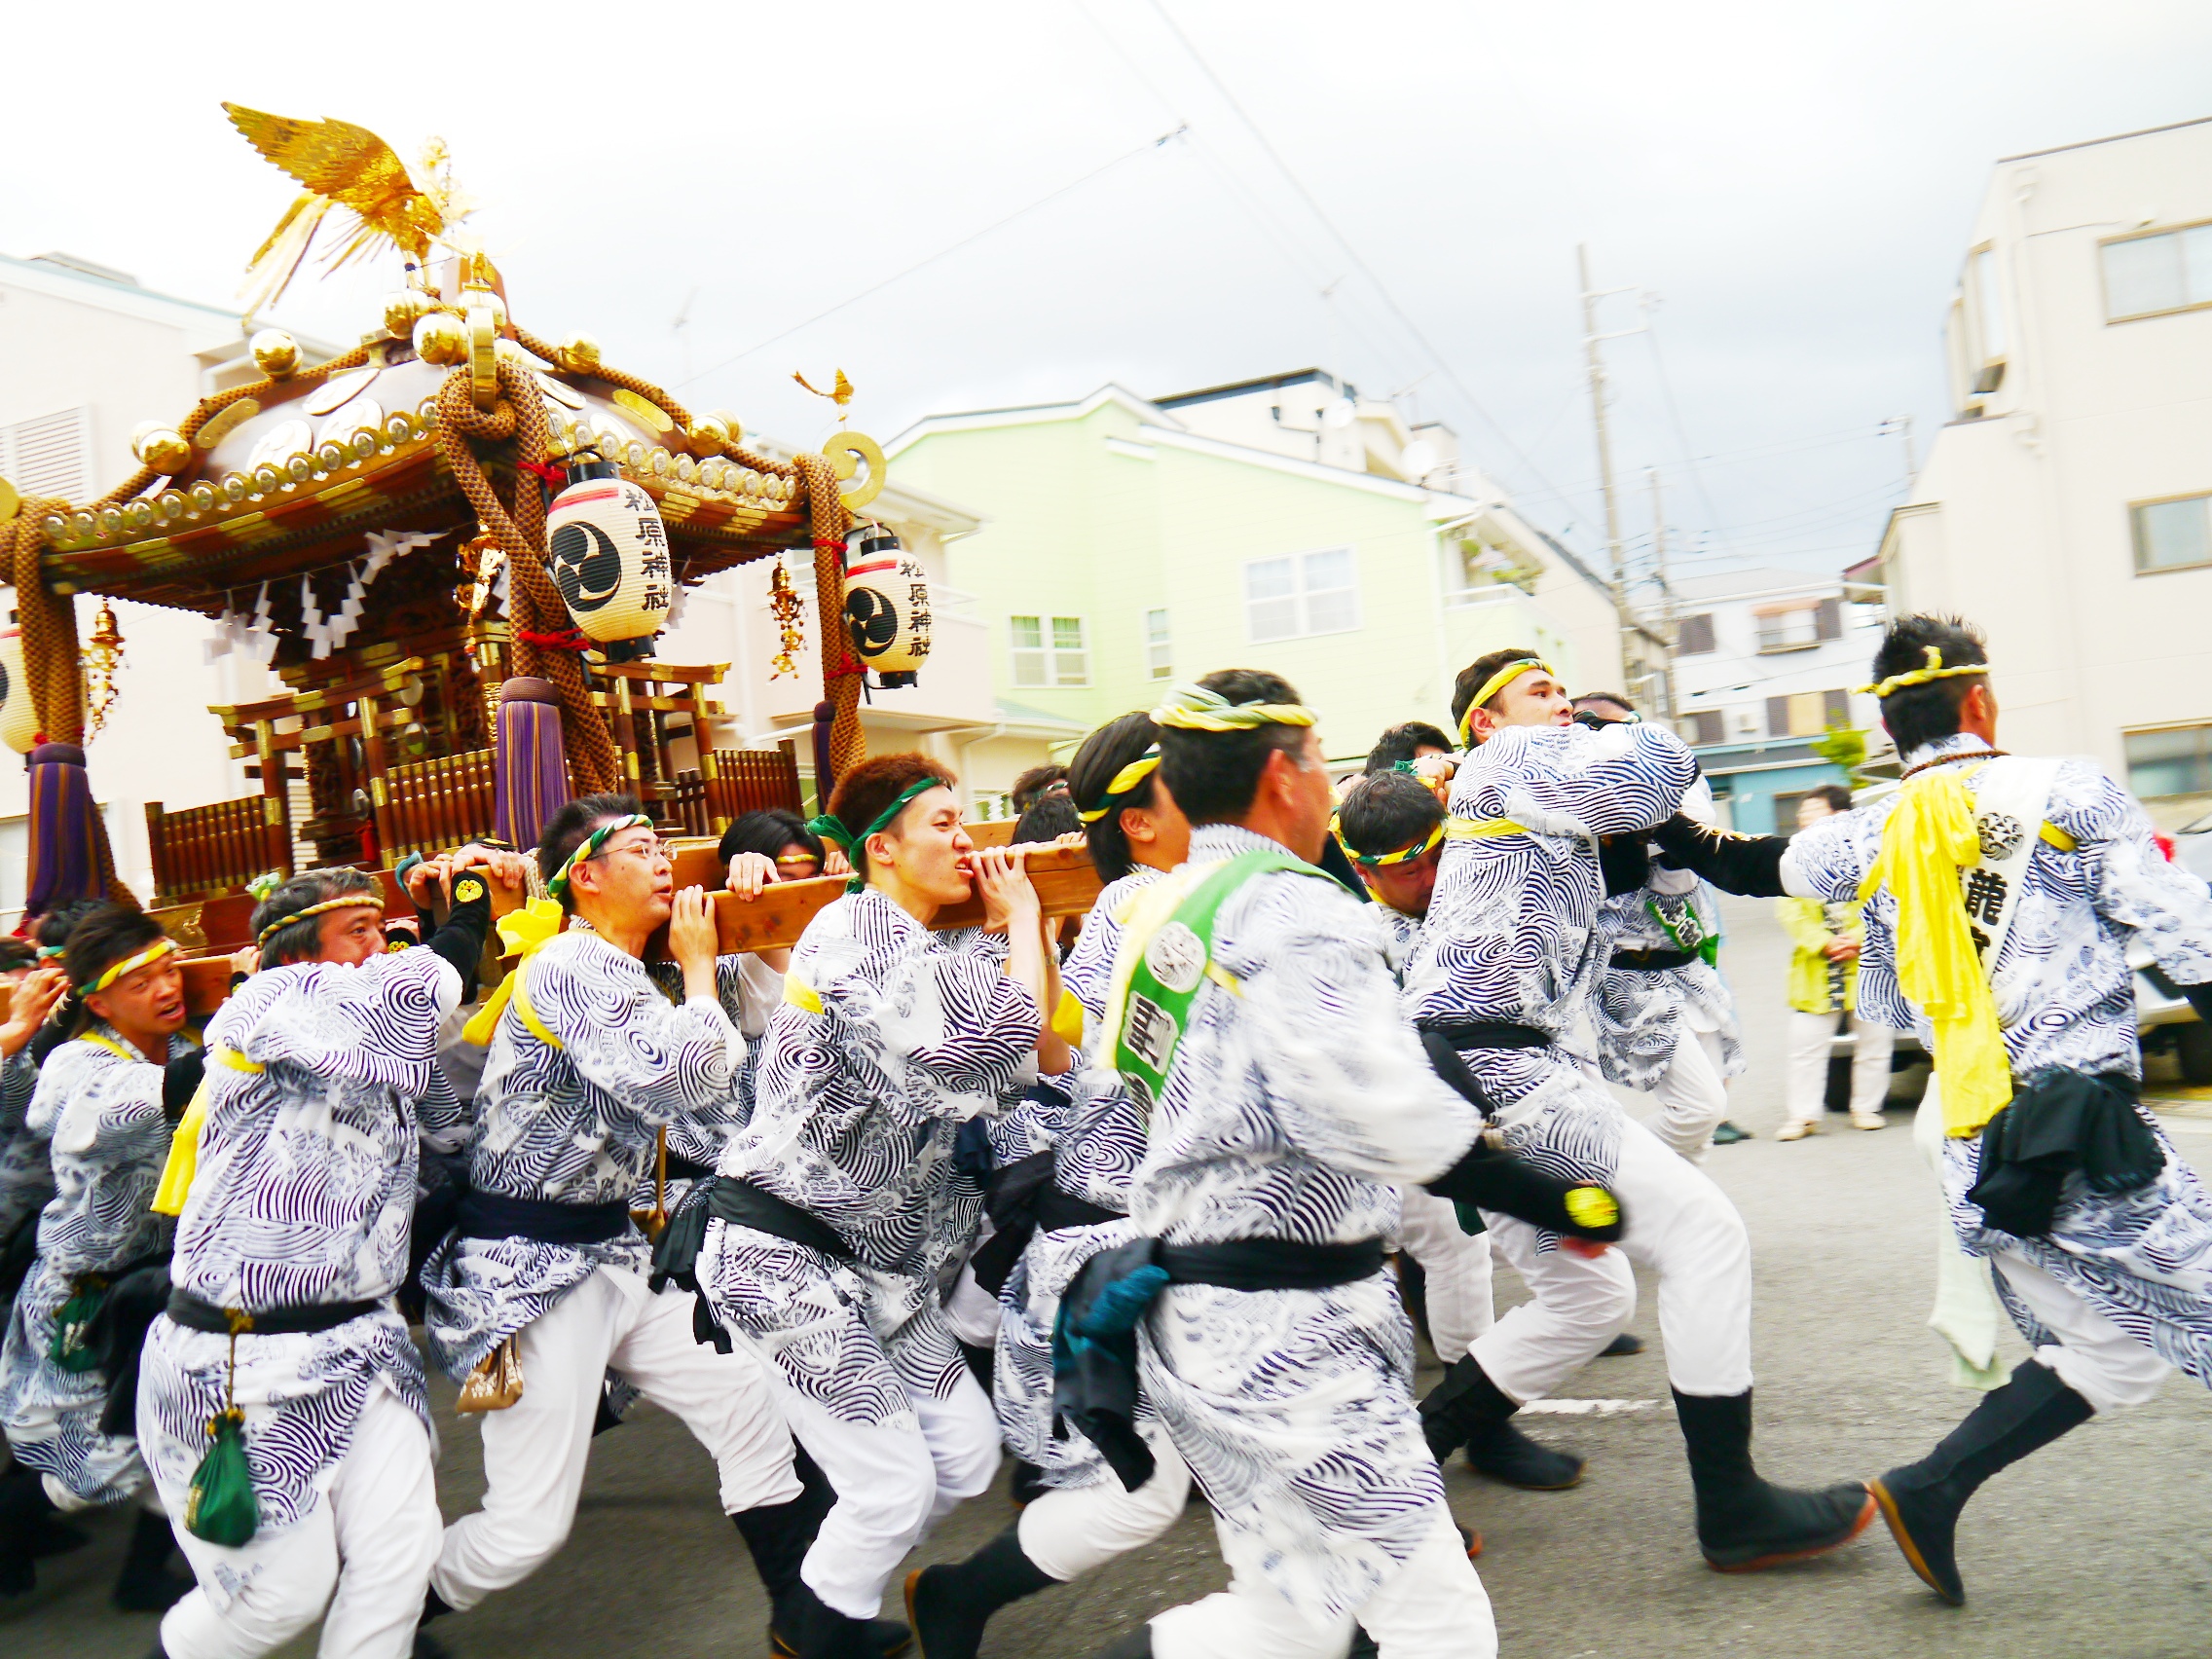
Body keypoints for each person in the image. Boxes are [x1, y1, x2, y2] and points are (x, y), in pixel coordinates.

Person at [1654, 615, 2212, 1607]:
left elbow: (1745, 862)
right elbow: (2185, 938)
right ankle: (1930, 1488)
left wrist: (1645, 815)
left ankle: (1929, 1490)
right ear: (1981, 701)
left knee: (2109, 1351)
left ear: (1889, 722)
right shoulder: (2065, 790)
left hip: (1976, 1147)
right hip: (2081, 1135)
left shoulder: (1864, 829)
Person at [1076, 671, 1625, 1659]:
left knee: (1292, 1616)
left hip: (1191, 1314)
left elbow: (1116, 1104)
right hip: (1290, 1335)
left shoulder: (1152, 909)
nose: (1329, 782)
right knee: (1439, 1629)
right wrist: (1563, 1199)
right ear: (1282, 777)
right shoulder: (1294, 907)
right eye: (1320, 761)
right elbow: (1392, 1119)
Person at [1405, 647, 1873, 1572]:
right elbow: (1654, 767)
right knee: (1704, 1233)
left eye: (1567, 694)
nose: (1567, 705)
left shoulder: (1554, 806)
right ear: (1485, 725)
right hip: (1497, 1061)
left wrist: (1872, 851)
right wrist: (1626, 729)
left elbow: (1730, 868)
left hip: (1494, 1065)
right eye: (1544, 693)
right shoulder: (1508, 763)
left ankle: (1402, 1462)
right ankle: (1733, 1507)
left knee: (1592, 1296)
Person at [419, 799, 830, 1652]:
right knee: (527, 1527)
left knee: (746, 1399)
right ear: (587, 878)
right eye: (642, 849)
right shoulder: (572, 962)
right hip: (533, 1269)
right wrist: (705, 969)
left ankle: (809, 1617)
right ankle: (384, 1611)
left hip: (608, 1249)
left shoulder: (618, 967)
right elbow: (681, 1080)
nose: (665, 861)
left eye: (665, 846)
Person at [696, 755, 1063, 1658]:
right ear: (882, 848)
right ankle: (814, 1628)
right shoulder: (851, 932)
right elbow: (986, 1054)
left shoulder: (933, 946)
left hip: (880, 1271)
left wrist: (1032, 927)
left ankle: (837, 1578)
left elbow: (1048, 1050)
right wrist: (1021, 919)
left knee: (969, 1457)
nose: (965, 840)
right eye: (942, 823)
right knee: (894, 1486)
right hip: (783, 1257)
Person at [134, 855, 503, 1659]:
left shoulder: (376, 1043)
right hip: (246, 1359)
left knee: (401, 1561)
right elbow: (415, 990)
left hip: (365, 1346)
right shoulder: (269, 1002)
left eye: (384, 927)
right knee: (275, 1600)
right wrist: (467, 911)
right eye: (357, 931)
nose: (382, 947)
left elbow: (453, 1125)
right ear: (295, 951)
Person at [905, 713, 1197, 1659]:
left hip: (1169, 1229)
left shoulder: (1161, 901)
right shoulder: (1142, 906)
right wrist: (1022, 926)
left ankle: (1354, 1612)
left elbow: (1060, 1045)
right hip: (1113, 1239)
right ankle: (956, 1594)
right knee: (1143, 1488)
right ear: (1140, 817)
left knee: (1244, 1458)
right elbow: (1036, 1052)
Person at [1336, 769, 1577, 1491]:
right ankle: (1380, 1473)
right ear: (1361, 869)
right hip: (1365, 1134)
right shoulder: (1350, 935)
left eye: (1439, 856)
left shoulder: (1475, 894)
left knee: (1458, 1252)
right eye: (1409, 869)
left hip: (1445, 1126)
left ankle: (1479, 1425)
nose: (1430, 878)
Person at [0, 906, 201, 1608]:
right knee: (97, 1468)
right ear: (97, 1000)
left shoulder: (176, 1052)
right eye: (141, 979)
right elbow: (121, 1110)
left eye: (170, 969)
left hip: (159, 1289)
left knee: (184, 1429)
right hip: (84, 1300)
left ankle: (147, 1573)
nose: (166, 987)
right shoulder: (78, 1064)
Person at [1572, 692, 1748, 1164]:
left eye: (1634, 724)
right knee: (1697, 1110)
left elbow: (1699, 820)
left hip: (1689, 968)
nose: (1632, 735)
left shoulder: (1668, 775)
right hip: (1631, 977)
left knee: (1704, 1122)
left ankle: (1684, 1230)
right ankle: (1600, 1179)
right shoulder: (1580, 801)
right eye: (1616, 727)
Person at [1775, 784, 1894, 1137]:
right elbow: (1788, 908)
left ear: (1839, 816)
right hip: (1818, 969)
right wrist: (1824, 942)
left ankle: (1867, 1108)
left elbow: (1884, 899)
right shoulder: (1792, 857)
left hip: (1869, 965)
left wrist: (1856, 939)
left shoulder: (1869, 853)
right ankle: (1803, 1116)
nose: (1804, 820)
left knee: (1876, 1040)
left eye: (1814, 812)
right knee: (1805, 1045)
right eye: (1803, 814)